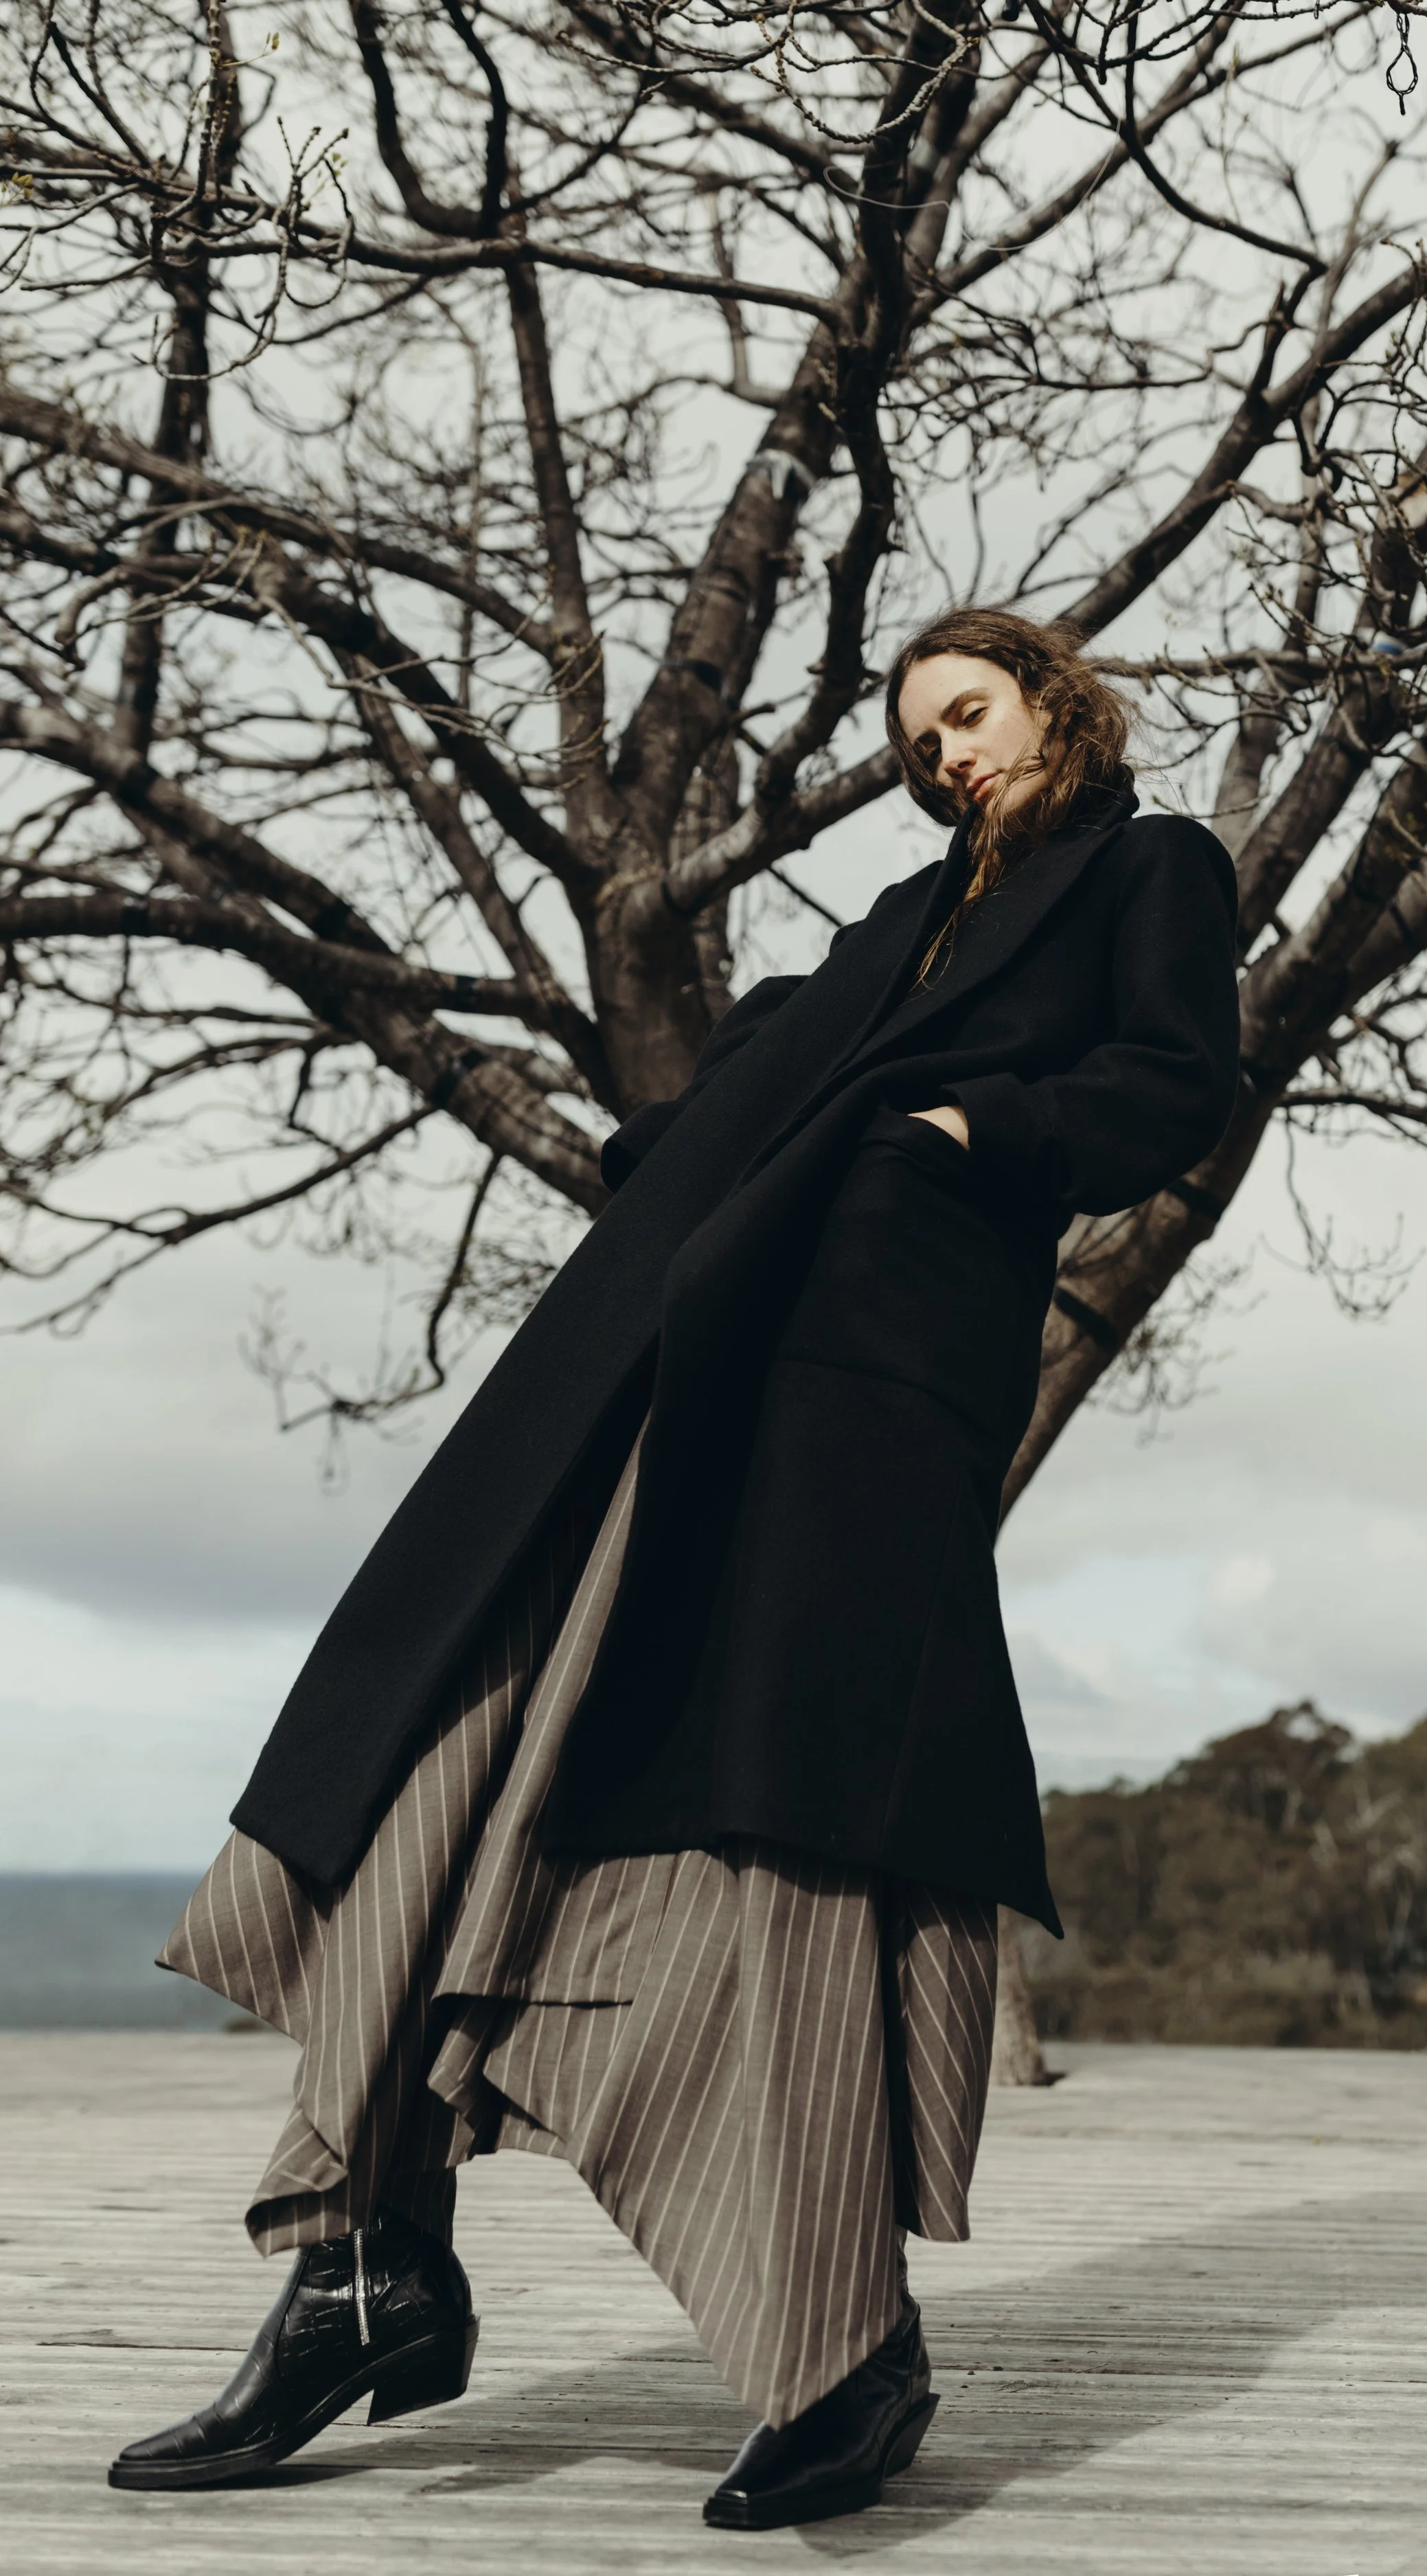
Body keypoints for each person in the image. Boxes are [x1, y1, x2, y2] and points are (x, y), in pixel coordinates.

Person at [108, 607, 1239, 2528]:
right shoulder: (899, 919)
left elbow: (1169, 1087)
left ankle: (839, 2353)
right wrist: (713, 1128)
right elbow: (739, 1097)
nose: (943, 752)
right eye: (917, 736)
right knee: (452, 1750)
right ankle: (365, 2258)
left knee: (776, 1839)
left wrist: (971, 1128)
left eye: (968, 714)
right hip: (664, 1362)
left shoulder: (1154, 865)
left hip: (859, 1397)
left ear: (1056, 699)